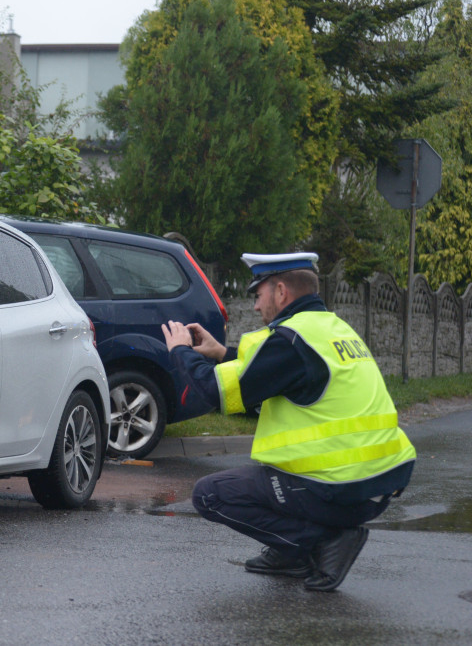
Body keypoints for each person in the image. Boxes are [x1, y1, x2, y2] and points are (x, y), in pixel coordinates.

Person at [161, 252, 416, 592]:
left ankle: (320, 542)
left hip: (339, 488)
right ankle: (290, 551)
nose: (255, 306)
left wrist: (181, 351)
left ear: (280, 292)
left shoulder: (290, 340)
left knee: (210, 495)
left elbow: (214, 392)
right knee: (256, 484)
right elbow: (271, 375)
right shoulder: (333, 329)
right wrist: (221, 353)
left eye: (258, 295)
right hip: (376, 486)